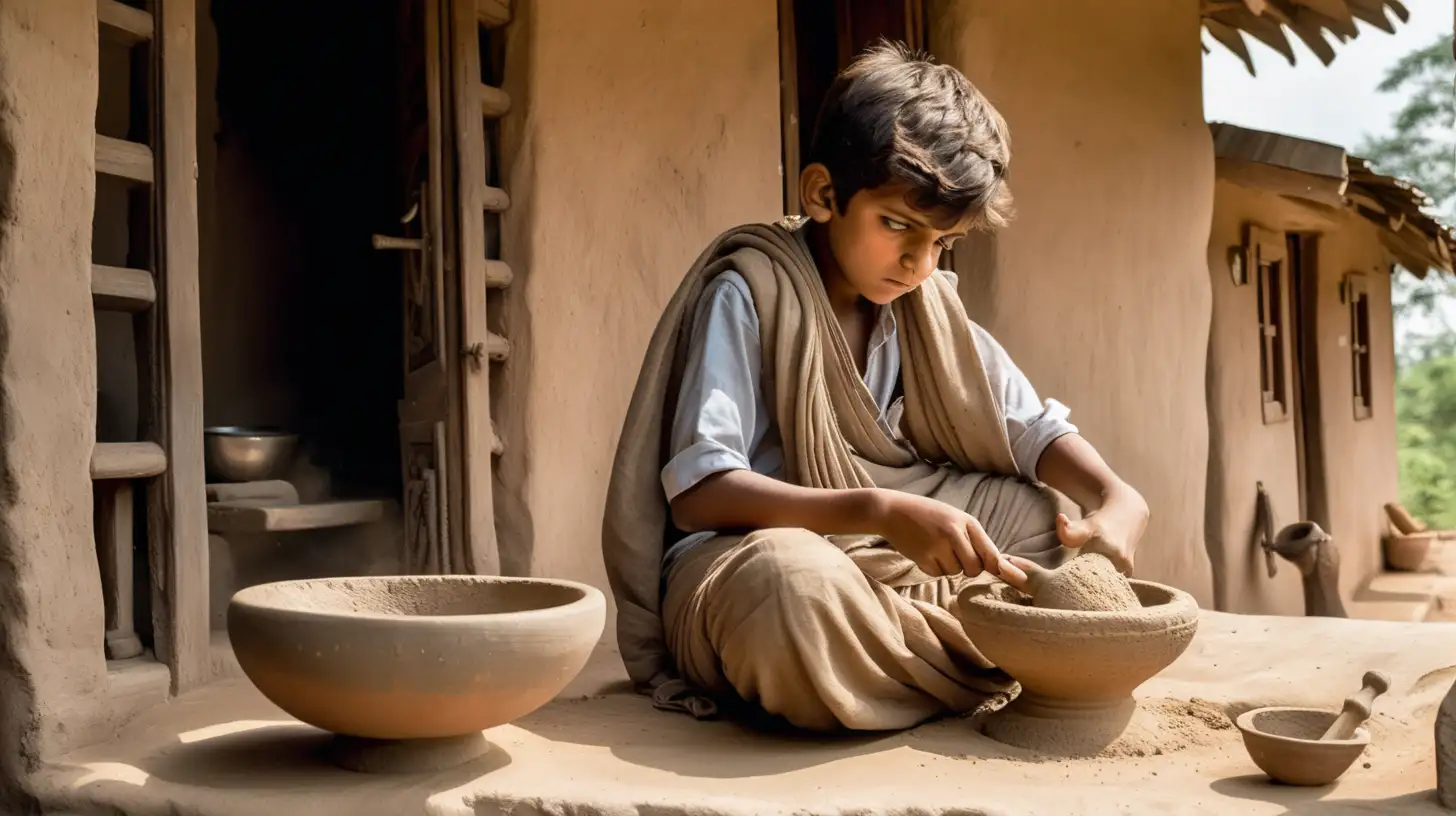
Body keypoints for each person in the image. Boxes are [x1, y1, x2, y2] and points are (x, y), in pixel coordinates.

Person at [602, 41, 1149, 732]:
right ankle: (970, 656)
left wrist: (1115, 496)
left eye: (943, 242)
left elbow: (1029, 429)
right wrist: (882, 510)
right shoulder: (751, 293)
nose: (919, 260)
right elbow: (700, 494)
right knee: (788, 585)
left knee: (1032, 515)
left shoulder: (924, 308)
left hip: (878, 568)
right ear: (824, 194)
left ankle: (879, 670)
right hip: (749, 563)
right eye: (898, 226)